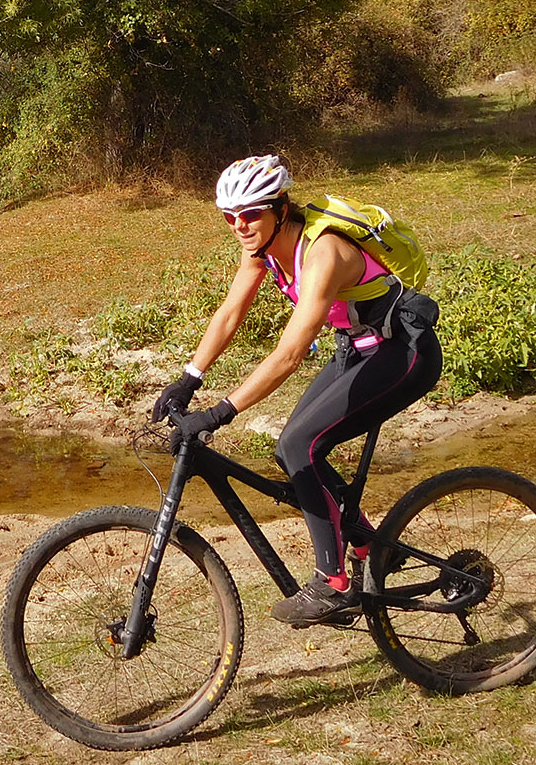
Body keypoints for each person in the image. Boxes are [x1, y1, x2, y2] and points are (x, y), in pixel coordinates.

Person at [150, 154, 443, 627]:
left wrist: (222, 412)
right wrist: (189, 376)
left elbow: (290, 353)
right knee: (293, 452)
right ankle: (369, 546)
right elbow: (229, 312)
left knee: (297, 443)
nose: (239, 226)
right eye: (230, 217)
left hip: (403, 353)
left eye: (250, 214)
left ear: (279, 208)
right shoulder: (262, 248)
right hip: (357, 347)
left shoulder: (323, 252)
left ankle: (333, 585)